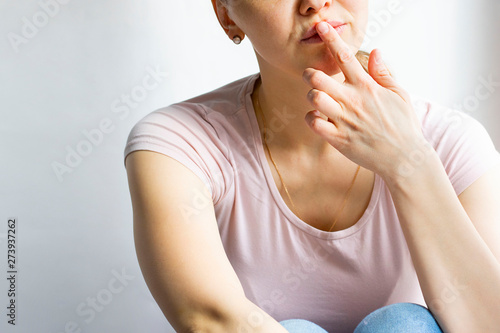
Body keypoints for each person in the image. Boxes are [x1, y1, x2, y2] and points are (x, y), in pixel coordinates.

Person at [124, 0, 500, 332]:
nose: (315, 3)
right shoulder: (179, 142)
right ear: (226, 14)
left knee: (403, 325)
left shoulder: (452, 141)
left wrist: (407, 162)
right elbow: (210, 321)